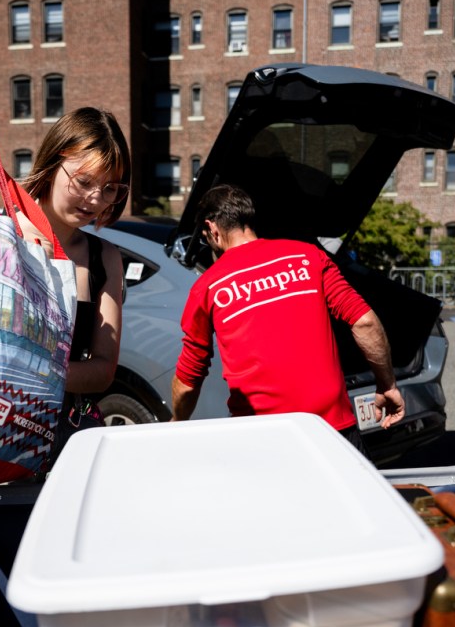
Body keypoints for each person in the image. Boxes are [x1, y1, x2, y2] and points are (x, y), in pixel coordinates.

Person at [169, 184, 404, 453]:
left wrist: (177, 421)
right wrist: (387, 385)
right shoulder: (308, 256)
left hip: (263, 442)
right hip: (334, 432)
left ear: (212, 230)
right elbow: (365, 322)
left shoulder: (207, 286)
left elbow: (188, 380)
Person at [0, 106, 130, 451]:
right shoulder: (1, 232)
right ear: (52, 162)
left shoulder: (104, 257)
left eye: (110, 188)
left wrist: (22, 373)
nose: (96, 199)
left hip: (66, 438)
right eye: (85, 181)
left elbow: (104, 370)